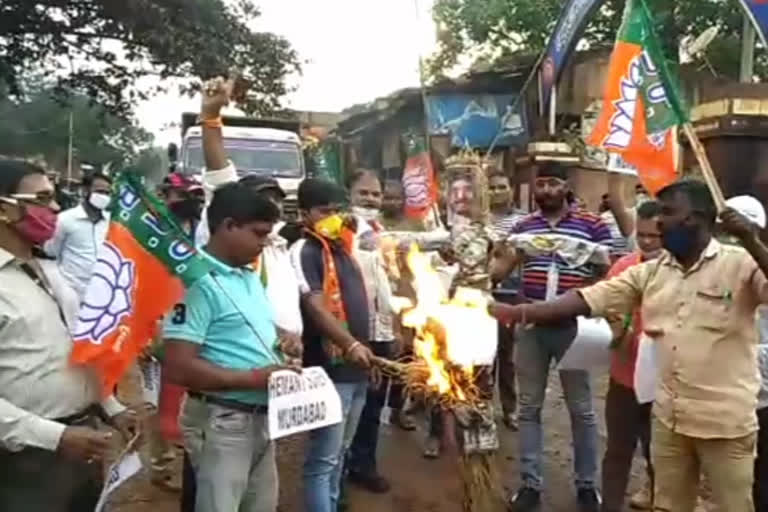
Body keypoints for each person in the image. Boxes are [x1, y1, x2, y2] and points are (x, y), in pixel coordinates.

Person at [490, 179, 768, 512]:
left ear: (696, 218)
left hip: (724, 424)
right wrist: (518, 312)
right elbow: (590, 298)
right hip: (670, 421)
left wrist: (751, 240)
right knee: (667, 505)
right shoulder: (649, 272)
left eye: (668, 212)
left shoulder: (738, 264)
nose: (659, 222)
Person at [0, 158, 136, 511]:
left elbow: (78, 351)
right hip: (25, 457)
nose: (55, 207)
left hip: (84, 441)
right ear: (3, 208)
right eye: (42, 199)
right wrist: (55, 437)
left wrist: (111, 406)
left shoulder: (49, 270)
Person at [163, 181, 298, 512]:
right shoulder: (197, 283)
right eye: (258, 234)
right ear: (228, 226)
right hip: (222, 419)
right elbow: (179, 366)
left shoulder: (247, 275)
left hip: (261, 418)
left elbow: (242, 328)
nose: (264, 243)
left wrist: (283, 337)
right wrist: (253, 379)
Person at [491, 162, 610, 512]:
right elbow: (501, 270)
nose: (545, 191)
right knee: (529, 408)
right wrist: (487, 257)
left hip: (576, 327)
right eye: (540, 184)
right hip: (531, 324)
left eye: (553, 184)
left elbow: (608, 274)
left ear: (566, 186)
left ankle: (587, 486)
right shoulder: (524, 227)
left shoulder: (593, 225)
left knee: (582, 410)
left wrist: (576, 301)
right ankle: (530, 485)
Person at [291, 177, 376, 512]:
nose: (334, 217)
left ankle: (332, 504)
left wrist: (362, 349)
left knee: (341, 452)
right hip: (328, 368)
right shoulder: (306, 250)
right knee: (323, 458)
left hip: (355, 369)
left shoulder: (342, 247)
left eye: (338, 210)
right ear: (304, 213)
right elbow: (314, 305)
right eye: (325, 211)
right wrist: (349, 344)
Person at [599, 200, 663, 512]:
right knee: (618, 451)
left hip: (665, 385)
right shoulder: (623, 268)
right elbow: (604, 306)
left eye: (656, 236)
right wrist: (615, 329)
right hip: (624, 379)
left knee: (660, 455)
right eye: (642, 235)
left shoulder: (683, 273)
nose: (648, 242)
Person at [346, 169, 399, 494]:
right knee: (349, 404)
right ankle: (336, 472)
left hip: (381, 331)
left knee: (374, 403)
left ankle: (363, 464)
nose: (370, 199)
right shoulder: (340, 232)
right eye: (363, 192)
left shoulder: (383, 233)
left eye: (375, 194)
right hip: (351, 334)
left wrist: (395, 331)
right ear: (349, 194)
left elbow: (390, 286)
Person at [488, 169, 525, 430]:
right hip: (483, 296)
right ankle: (483, 407)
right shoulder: (479, 220)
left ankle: (510, 409)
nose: (497, 192)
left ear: (511, 189)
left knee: (508, 357)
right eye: (492, 188)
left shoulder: (523, 222)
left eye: (502, 187)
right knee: (483, 356)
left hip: (511, 296)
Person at [44, 172, 112, 297]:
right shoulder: (65, 219)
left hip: (100, 295)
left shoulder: (111, 223)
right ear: (85, 191)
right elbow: (52, 252)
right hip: (70, 291)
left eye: (107, 193)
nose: (104, 196)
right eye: (100, 191)